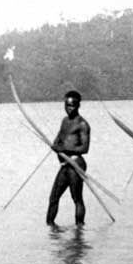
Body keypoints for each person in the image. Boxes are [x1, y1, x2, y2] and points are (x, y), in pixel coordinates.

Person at [47, 90, 90, 226]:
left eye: (72, 105)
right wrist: (55, 146)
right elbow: (58, 140)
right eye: (67, 105)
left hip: (76, 163)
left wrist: (63, 150)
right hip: (65, 164)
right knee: (54, 197)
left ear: (78, 106)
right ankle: (50, 228)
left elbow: (84, 148)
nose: (69, 108)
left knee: (76, 198)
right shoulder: (65, 121)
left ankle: (79, 229)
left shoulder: (82, 124)